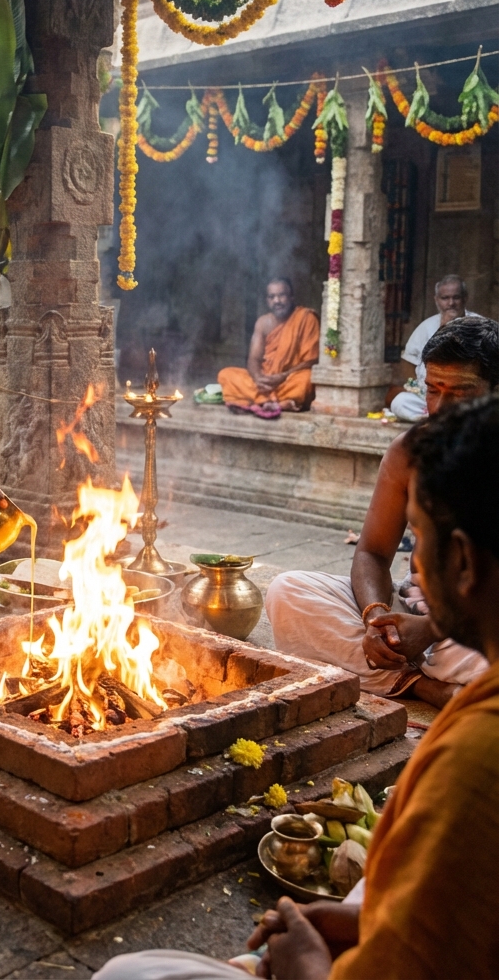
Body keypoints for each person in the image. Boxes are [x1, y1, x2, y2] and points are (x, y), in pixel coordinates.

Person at [92, 396, 499, 980]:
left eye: (420, 540)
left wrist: (306, 967)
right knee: (292, 591)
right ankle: (419, 681)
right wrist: (361, 922)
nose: (414, 567)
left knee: (126, 975)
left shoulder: (476, 760)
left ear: (461, 559)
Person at [265, 316, 497, 707]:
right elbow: (372, 551)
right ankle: (422, 685)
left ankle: (412, 674)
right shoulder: (409, 451)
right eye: (433, 390)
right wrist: (377, 620)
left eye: (461, 393)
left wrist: (430, 629)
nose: (441, 408)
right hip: (417, 605)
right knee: (286, 592)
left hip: (478, 624)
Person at [217, 278, 320, 417]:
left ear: (291, 297)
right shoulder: (263, 322)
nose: (277, 301)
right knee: (226, 374)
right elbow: (253, 359)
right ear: (267, 300)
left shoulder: (306, 318)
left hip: (290, 379)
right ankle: (278, 402)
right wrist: (258, 378)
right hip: (265, 381)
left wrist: (283, 376)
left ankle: (258, 401)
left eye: (281, 295)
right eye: (272, 297)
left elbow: (311, 360)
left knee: (307, 378)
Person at [390, 275, 483, 422]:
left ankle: (439, 419)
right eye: (445, 298)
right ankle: (436, 418)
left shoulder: (480, 325)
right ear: (436, 300)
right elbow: (409, 364)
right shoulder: (425, 327)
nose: (451, 303)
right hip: (430, 397)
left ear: (465, 298)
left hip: (463, 396)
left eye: (456, 297)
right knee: (400, 402)